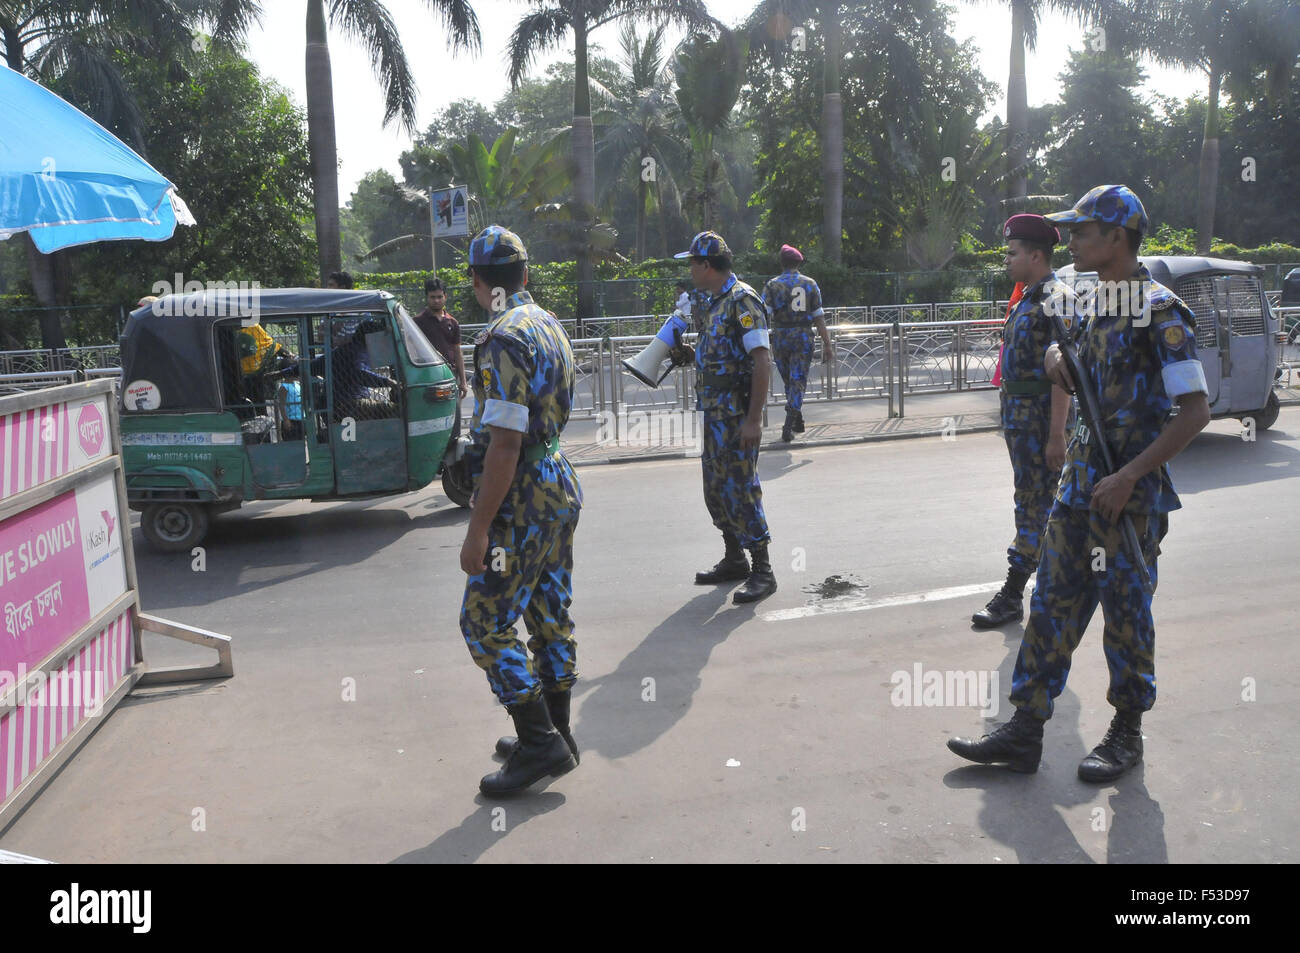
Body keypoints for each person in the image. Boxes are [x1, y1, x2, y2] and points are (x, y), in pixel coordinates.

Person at [948, 185, 1211, 781]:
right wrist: (1055, 369)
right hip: (1077, 485)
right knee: (1049, 607)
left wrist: (1130, 475)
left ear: (1116, 238)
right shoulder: (1088, 303)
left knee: (1126, 613)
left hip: (1128, 491)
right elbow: (1074, 374)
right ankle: (1025, 731)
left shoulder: (1160, 310)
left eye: (1082, 231)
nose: (1069, 239)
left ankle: (1126, 734)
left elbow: (1194, 410)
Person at [457, 225, 584, 796]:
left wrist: (477, 530)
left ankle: (540, 743)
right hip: (557, 484)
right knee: (548, 613)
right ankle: (556, 729)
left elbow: (505, 444)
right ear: (525, 275)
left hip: (522, 499)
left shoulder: (503, 338)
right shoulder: (547, 323)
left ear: (480, 282)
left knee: (483, 622)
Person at [971, 215, 1075, 628]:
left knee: (1033, 505)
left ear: (1036, 255)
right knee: (1037, 502)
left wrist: (1055, 436)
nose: (1007, 261)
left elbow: (1065, 373)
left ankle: (1013, 594)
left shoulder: (1058, 299)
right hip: (1020, 423)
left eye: (1013, 253)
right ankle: (1059, 582)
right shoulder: (1028, 297)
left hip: (1040, 424)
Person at [674, 230, 777, 604]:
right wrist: (690, 354)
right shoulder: (714, 301)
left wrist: (754, 420)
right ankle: (734, 558)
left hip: (736, 416)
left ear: (706, 265)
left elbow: (761, 360)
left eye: (692, 262)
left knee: (742, 490)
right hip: (714, 415)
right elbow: (720, 352)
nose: (689, 269)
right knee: (716, 490)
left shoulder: (742, 301)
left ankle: (763, 569)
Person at [761, 244, 832, 442]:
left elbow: (762, 315)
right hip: (802, 336)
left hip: (781, 336)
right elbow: (818, 317)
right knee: (798, 380)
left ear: (782, 262)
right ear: (799, 262)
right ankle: (791, 419)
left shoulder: (772, 285)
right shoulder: (810, 283)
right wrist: (827, 344)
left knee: (788, 380)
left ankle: (795, 419)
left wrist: (760, 341)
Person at [414, 277, 468, 440]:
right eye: (432, 297)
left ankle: (453, 449)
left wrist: (464, 382)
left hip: (450, 376)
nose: (436, 300)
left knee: (454, 415)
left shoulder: (452, 322)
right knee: (431, 416)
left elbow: (458, 352)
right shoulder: (417, 322)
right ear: (426, 297)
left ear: (445, 296)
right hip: (429, 377)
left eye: (439, 296)